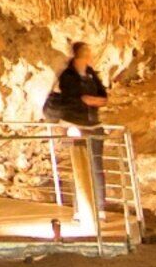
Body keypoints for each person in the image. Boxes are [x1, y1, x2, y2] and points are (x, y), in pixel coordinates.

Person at [45, 42, 110, 235]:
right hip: (75, 124)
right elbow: (76, 98)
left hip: (93, 124)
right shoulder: (68, 76)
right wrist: (90, 100)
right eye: (87, 53)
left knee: (96, 166)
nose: (90, 56)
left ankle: (99, 208)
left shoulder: (91, 73)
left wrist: (92, 100)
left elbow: (103, 96)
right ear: (80, 55)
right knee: (79, 166)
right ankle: (80, 208)